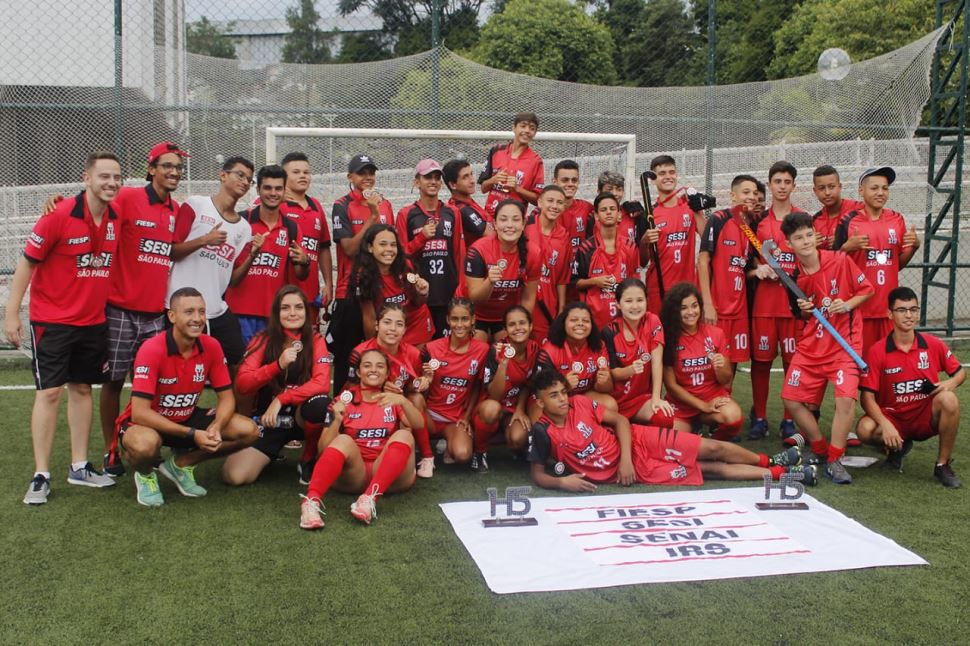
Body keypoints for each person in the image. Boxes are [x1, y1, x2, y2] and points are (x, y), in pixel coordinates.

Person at [7, 151, 123, 504]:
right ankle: (41, 474)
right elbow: (27, 265)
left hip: (93, 321)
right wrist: (11, 314)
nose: (112, 183)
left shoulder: (118, 215)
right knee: (49, 393)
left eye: (117, 177)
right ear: (86, 179)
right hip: (52, 321)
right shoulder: (57, 215)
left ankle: (79, 466)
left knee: (83, 389)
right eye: (104, 176)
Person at [527, 370, 815, 491]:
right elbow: (538, 474)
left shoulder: (580, 402)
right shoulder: (542, 432)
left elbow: (622, 422)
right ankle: (784, 474)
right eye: (554, 396)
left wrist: (624, 459)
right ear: (539, 402)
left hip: (638, 443)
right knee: (709, 469)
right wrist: (561, 483)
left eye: (563, 392)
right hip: (639, 471)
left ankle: (771, 460)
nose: (562, 398)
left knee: (712, 447)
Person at [114, 288, 260, 506]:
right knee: (145, 445)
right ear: (172, 316)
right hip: (148, 422)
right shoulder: (151, 349)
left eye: (201, 312)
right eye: (189, 312)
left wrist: (217, 427)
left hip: (186, 418)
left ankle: (181, 464)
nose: (198, 318)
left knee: (249, 431)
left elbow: (227, 398)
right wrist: (193, 434)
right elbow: (140, 412)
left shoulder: (211, 345)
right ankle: (145, 475)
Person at [101, 142, 189, 477]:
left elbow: (173, 252)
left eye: (179, 167)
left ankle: (144, 442)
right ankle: (112, 450)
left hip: (156, 313)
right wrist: (60, 203)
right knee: (113, 382)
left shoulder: (175, 210)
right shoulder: (127, 198)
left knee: (153, 385)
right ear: (150, 168)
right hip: (121, 310)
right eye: (167, 166)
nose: (174, 172)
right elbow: (95, 206)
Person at [779, 212, 874, 485]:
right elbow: (801, 316)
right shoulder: (794, 276)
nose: (806, 241)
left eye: (809, 234)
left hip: (844, 344)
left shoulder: (840, 260)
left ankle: (835, 458)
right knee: (791, 399)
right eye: (798, 238)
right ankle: (819, 448)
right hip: (812, 344)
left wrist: (846, 304)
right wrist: (805, 310)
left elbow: (866, 290)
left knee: (845, 400)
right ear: (789, 244)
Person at [299, 348, 424, 529]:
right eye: (367, 365)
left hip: (387, 474)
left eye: (380, 366)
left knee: (404, 434)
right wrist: (336, 420)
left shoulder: (393, 399)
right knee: (343, 440)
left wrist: (403, 401)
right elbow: (323, 449)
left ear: (387, 373)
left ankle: (369, 499)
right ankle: (310, 504)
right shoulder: (344, 400)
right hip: (353, 475)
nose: (373, 370)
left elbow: (419, 425)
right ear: (358, 372)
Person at [856, 287, 963, 488]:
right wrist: (886, 425)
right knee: (864, 429)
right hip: (893, 417)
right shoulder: (877, 351)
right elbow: (867, 398)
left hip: (924, 416)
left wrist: (951, 382)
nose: (909, 315)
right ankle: (897, 448)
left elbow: (960, 372)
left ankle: (942, 465)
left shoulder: (933, 344)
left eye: (913, 310)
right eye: (902, 310)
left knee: (949, 399)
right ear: (890, 314)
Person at [225, 286, 332, 485]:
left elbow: (322, 383)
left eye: (299, 307)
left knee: (321, 405)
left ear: (306, 312)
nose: (293, 313)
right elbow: (243, 384)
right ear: (276, 312)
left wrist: (282, 399)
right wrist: (276, 365)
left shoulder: (316, 340)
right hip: (269, 419)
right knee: (235, 476)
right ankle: (270, 452)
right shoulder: (263, 339)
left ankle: (308, 458)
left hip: (301, 415)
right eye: (285, 308)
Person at [168, 156, 256, 371]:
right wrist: (204, 240)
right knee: (176, 368)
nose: (244, 182)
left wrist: (252, 256)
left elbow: (233, 280)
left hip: (215, 309)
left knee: (239, 363)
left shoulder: (244, 228)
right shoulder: (196, 205)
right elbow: (171, 251)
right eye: (240, 175)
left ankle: (236, 406)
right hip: (180, 307)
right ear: (223, 175)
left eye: (249, 180)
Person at [833, 166, 920, 350]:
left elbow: (897, 264)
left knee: (890, 364)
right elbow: (832, 262)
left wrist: (915, 247)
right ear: (861, 190)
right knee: (861, 366)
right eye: (874, 188)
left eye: (885, 188)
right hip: (859, 308)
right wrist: (847, 248)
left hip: (889, 310)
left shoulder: (897, 219)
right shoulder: (848, 220)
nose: (880, 193)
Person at [750, 161, 806, 442]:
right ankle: (759, 417)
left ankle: (788, 419)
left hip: (793, 306)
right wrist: (757, 269)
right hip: (765, 304)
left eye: (787, 181)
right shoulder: (758, 223)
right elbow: (747, 260)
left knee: (792, 363)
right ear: (769, 185)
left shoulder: (804, 219)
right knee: (761, 362)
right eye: (777, 181)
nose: (782, 186)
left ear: (794, 185)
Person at [330, 154, 395, 391]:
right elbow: (348, 248)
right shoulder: (342, 204)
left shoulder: (386, 203)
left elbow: (392, 246)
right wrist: (373, 217)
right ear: (350, 177)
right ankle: (339, 407)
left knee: (379, 356)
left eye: (371, 172)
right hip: (349, 291)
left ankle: (376, 411)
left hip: (381, 290)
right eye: (361, 172)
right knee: (346, 358)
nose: (367, 177)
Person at [348, 304, 436, 479]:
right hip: (368, 403)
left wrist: (425, 380)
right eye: (387, 322)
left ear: (405, 329)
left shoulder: (412, 353)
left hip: (398, 405)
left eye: (399, 324)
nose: (392, 329)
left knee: (416, 399)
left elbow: (412, 386)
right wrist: (378, 387)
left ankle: (427, 456)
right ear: (377, 325)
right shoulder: (360, 352)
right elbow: (350, 388)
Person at [225, 164, 309, 345]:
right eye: (268, 188)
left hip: (273, 315)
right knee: (239, 369)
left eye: (278, 188)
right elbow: (230, 279)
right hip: (239, 313)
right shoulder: (241, 222)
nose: (273, 193)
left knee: (269, 370)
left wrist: (304, 261)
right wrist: (253, 255)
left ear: (284, 190)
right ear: (258, 189)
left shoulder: (292, 228)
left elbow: (300, 275)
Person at [661, 282, 744, 442]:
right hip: (683, 403)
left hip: (712, 397)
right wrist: (702, 405)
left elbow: (726, 380)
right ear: (674, 311)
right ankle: (694, 430)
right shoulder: (668, 337)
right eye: (683, 308)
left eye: (694, 306)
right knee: (673, 441)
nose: (691, 312)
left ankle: (714, 443)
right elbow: (671, 385)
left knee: (733, 417)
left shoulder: (716, 334)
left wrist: (721, 368)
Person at [395, 159, 464, 337]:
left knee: (445, 349)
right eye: (427, 177)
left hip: (446, 292)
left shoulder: (452, 212)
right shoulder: (406, 214)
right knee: (421, 350)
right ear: (417, 182)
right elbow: (401, 257)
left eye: (436, 177)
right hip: (419, 296)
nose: (433, 181)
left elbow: (458, 253)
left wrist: (460, 288)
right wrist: (421, 238)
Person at [698, 176, 757, 377]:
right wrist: (707, 303)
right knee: (710, 363)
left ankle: (726, 399)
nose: (752, 197)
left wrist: (758, 270)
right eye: (746, 192)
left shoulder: (751, 226)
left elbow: (745, 265)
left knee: (730, 362)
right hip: (717, 308)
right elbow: (703, 261)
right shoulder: (719, 219)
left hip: (739, 309)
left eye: (755, 193)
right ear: (733, 195)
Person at [421, 298, 490, 465]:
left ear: (473, 320)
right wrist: (426, 381)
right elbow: (417, 390)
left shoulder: (483, 350)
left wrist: (466, 417)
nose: (459, 325)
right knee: (412, 406)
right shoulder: (431, 348)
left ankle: (449, 443)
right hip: (429, 416)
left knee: (462, 454)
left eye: (465, 319)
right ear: (447, 320)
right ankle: (426, 456)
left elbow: (476, 387)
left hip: (454, 419)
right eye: (455, 319)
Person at [472, 306, 541, 471]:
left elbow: (529, 384)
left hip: (513, 406)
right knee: (491, 409)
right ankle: (480, 452)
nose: (518, 328)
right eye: (512, 324)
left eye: (522, 323)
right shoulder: (495, 350)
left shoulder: (535, 349)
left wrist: (519, 409)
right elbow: (494, 395)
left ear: (531, 326)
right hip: (491, 404)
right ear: (506, 330)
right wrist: (503, 365)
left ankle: (519, 449)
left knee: (517, 438)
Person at [464, 199, 540, 341]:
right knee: (477, 351)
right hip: (474, 313)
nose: (510, 225)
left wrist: (522, 326)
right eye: (503, 220)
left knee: (508, 353)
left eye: (516, 220)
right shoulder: (478, 250)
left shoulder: (533, 252)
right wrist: (490, 282)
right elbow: (475, 298)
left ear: (523, 224)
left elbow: (528, 298)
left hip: (505, 315)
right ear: (495, 224)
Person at [603, 278, 674, 426]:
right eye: (628, 301)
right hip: (615, 401)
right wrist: (630, 370)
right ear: (618, 304)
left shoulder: (652, 320)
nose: (635, 306)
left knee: (664, 417)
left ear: (646, 301)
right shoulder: (609, 331)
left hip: (641, 399)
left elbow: (657, 363)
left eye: (640, 300)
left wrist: (656, 397)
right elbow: (612, 373)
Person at [643, 155, 706, 314]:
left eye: (672, 172)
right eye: (662, 173)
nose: (668, 176)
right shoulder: (650, 213)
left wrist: (697, 209)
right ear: (653, 179)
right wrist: (644, 241)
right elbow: (643, 261)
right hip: (659, 286)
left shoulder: (689, 206)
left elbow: (706, 237)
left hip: (687, 286)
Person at [352, 224, 433, 346]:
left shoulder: (406, 266)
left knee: (416, 363)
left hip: (415, 324)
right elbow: (369, 318)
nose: (389, 249)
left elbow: (418, 302)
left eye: (393, 245)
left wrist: (422, 293)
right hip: (388, 328)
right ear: (370, 247)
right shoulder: (363, 276)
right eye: (383, 244)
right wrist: (372, 347)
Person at [572, 193, 640, 330]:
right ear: (596, 216)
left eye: (612, 209)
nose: (608, 212)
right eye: (603, 210)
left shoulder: (631, 246)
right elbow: (575, 283)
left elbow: (635, 283)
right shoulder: (586, 249)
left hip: (624, 321)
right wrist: (595, 281)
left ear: (619, 214)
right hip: (594, 323)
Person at [279, 151, 334, 320]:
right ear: (284, 176)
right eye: (296, 172)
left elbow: (323, 247)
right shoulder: (273, 205)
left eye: (306, 172)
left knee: (309, 342)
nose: (302, 176)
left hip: (310, 292)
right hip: (282, 294)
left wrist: (328, 284)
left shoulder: (316, 205)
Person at [536, 301, 617, 413]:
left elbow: (608, 389)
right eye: (574, 320)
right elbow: (542, 392)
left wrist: (602, 382)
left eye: (586, 321)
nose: (580, 324)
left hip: (583, 395)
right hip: (556, 398)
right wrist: (565, 386)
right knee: (540, 414)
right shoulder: (549, 351)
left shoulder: (599, 346)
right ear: (563, 323)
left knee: (610, 405)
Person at [524, 185, 572, 343]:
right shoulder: (525, 227)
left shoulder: (564, 237)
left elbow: (562, 278)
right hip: (523, 299)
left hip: (548, 305)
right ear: (539, 202)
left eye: (559, 202)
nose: (554, 206)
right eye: (550, 201)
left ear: (564, 207)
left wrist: (561, 308)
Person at [479, 112, 544, 216]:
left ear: (535, 133)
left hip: (514, 220)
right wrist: (493, 180)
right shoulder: (496, 151)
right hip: (490, 216)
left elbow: (538, 200)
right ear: (514, 128)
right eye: (523, 126)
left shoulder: (536, 161)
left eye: (532, 128)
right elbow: (483, 188)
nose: (527, 131)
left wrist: (517, 189)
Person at [811, 164, 863, 250]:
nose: (827, 192)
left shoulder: (859, 208)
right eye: (821, 188)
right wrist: (810, 246)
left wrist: (843, 239)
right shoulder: (814, 221)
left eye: (831, 187)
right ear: (815, 191)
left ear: (840, 187)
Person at [444, 158, 493, 248]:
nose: (472, 181)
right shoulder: (462, 210)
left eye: (471, 174)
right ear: (453, 185)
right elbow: (493, 237)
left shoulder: (467, 202)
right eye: (465, 177)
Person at [551, 160, 594, 250]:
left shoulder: (587, 208)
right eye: (565, 180)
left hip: (579, 262)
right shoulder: (544, 211)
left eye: (574, 180)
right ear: (555, 182)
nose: (570, 184)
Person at [597, 170, 646, 246]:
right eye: (609, 189)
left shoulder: (633, 213)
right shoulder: (592, 216)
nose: (614, 193)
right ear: (599, 191)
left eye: (619, 189)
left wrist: (642, 215)